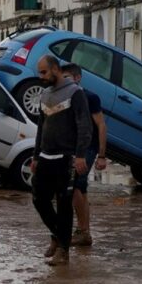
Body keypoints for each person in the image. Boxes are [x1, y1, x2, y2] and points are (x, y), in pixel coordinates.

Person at [31, 55, 92, 265]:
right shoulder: (45, 94)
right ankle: (58, 235)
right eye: (39, 73)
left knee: (65, 204)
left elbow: (85, 126)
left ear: (55, 69)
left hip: (67, 158)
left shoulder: (76, 93)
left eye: (44, 72)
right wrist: (35, 156)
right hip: (46, 157)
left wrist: (81, 155)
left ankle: (63, 251)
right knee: (39, 199)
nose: (41, 77)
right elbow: (41, 127)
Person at [61, 63, 107, 247]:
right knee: (81, 190)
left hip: (87, 148)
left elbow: (101, 125)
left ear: (77, 78)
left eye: (66, 78)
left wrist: (101, 155)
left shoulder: (90, 97)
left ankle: (81, 231)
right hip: (71, 148)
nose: (63, 82)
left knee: (75, 187)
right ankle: (84, 232)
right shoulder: (64, 97)